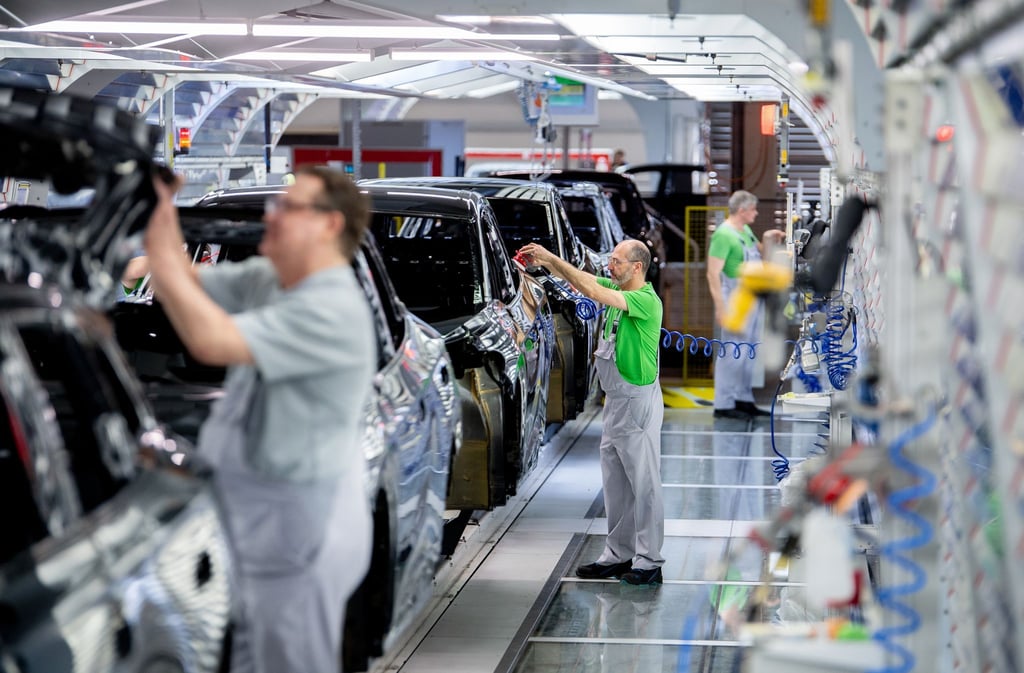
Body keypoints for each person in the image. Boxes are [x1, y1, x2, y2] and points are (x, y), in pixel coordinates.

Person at [144, 165, 376, 672]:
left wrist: (159, 242)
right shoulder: (275, 282)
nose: (271, 216)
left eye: (287, 207)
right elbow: (181, 279)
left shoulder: (332, 309)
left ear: (329, 224)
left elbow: (209, 340)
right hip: (265, 524)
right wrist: (157, 220)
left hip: (302, 531)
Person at [519, 239, 665, 586]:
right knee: (615, 482)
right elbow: (581, 280)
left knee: (644, 484)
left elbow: (592, 290)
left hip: (636, 402)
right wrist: (545, 264)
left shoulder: (644, 300)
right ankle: (618, 554)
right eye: (610, 260)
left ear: (637, 267)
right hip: (615, 401)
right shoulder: (618, 289)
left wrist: (551, 257)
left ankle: (650, 561)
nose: (609, 266)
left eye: (616, 261)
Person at [706, 190, 785, 420]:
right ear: (742, 210)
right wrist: (721, 307)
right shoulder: (723, 235)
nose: (756, 213)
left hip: (752, 296)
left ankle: (743, 399)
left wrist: (768, 238)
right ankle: (724, 403)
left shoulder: (746, 231)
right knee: (732, 350)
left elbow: (760, 254)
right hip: (734, 298)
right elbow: (713, 273)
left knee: (749, 350)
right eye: (753, 209)